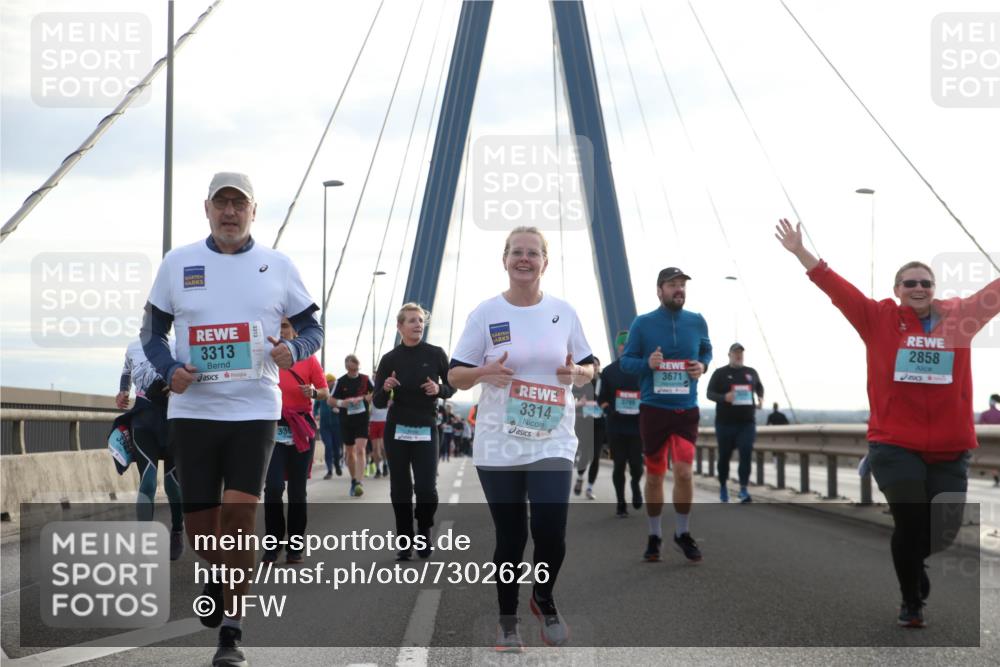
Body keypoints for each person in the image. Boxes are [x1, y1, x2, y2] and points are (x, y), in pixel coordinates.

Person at [775, 217, 1000, 628]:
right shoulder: (877, 319)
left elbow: (996, 293)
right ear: (897, 291)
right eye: (910, 283)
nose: (918, 289)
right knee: (911, 519)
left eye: (925, 283)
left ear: (935, 289)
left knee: (943, 533)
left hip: (950, 447)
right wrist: (801, 253)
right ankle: (911, 599)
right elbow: (836, 289)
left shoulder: (961, 317)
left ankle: (915, 562)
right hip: (895, 444)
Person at [142, 172, 322, 666]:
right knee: (203, 531)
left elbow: (313, 327)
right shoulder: (178, 263)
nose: (229, 212)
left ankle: (232, 632)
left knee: (241, 515)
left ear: (253, 212)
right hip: (194, 412)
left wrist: (293, 348)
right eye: (221, 203)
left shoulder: (278, 266)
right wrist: (169, 369)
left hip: (254, 409)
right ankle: (216, 572)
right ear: (206, 209)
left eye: (238, 204)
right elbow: (151, 333)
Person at [449, 226, 594, 651]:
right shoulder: (485, 314)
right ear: (505, 259)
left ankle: (543, 598)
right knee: (511, 538)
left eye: (533, 253)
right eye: (517, 252)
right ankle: (507, 621)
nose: (524, 259)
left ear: (545, 262)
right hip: (499, 441)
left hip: (552, 439)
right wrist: (483, 373)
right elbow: (455, 375)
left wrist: (578, 374)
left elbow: (590, 365)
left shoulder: (564, 312)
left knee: (551, 531)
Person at [620, 267, 711, 564]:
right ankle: (654, 534)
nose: (679, 289)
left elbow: (707, 350)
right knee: (656, 475)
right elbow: (627, 363)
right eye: (672, 285)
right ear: (659, 290)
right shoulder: (643, 324)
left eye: (682, 284)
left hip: (686, 409)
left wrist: (703, 366)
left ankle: (682, 533)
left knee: (684, 472)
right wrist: (647, 362)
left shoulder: (697, 321)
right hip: (654, 409)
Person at [373, 303, 455, 561]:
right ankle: (405, 540)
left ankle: (424, 531)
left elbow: (452, 386)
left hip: (426, 429)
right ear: (400, 327)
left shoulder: (436, 354)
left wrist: (439, 390)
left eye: (420, 320)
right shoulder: (389, 359)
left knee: (427, 489)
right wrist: (386, 387)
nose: (417, 324)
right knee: (400, 489)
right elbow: (376, 401)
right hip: (397, 429)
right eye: (411, 320)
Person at [262, 318, 329, 564]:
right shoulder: (265, 356)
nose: (281, 329)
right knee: (273, 488)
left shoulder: (308, 358)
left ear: (295, 330)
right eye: (277, 325)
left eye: (286, 325)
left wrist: (313, 392)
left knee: (297, 492)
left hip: (300, 427)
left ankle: (295, 546)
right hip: (272, 427)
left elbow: (324, 391)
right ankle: (272, 544)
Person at [115, 336, 185, 560]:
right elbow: (126, 371)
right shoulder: (133, 346)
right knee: (147, 480)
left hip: (174, 419)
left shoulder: (179, 343)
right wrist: (123, 391)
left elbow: (193, 371)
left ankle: (177, 530)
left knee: (174, 485)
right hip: (144, 419)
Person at [706, 343, 764, 503]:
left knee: (746, 453)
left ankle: (743, 489)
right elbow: (709, 393)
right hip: (725, 423)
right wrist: (724, 397)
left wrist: (760, 398)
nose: (739, 355)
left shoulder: (751, 372)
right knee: (724, 456)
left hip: (746, 423)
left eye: (741, 353)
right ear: (729, 354)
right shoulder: (720, 373)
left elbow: (759, 388)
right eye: (736, 353)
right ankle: (723, 485)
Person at [598, 330, 644, 517]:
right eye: (623, 345)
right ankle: (621, 503)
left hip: (636, 426)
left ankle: (635, 484)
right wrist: (610, 410)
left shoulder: (641, 369)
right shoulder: (608, 372)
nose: (625, 348)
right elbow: (601, 398)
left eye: (629, 344)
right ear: (618, 347)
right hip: (616, 426)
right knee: (619, 465)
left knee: (637, 465)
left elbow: (649, 394)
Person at [332, 354, 374, 497]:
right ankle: (353, 479)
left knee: (361, 449)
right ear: (347, 368)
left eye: (356, 369)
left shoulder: (366, 379)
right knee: (350, 452)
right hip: (346, 420)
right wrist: (342, 403)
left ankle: (359, 482)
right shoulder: (340, 381)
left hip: (362, 419)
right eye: (351, 369)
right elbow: (330, 400)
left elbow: (376, 392)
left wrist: (367, 398)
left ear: (358, 367)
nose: (354, 372)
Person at [573, 356, 605, 500]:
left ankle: (590, 487)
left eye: (597, 365)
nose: (596, 367)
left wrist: (604, 404)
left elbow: (609, 397)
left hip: (599, 423)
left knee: (596, 456)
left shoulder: (604, 381)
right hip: (584, 422)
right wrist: (581, 402)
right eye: (593, 365)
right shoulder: (581, 381)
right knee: (585, 454)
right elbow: (572, 397)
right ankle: (580, 477)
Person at [314, 373, 344, 478]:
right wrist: (316, 414)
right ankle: (329, 470)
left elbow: (345, 406)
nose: (329, 383)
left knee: (336, 448)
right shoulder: (322, 394)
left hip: (337, 426)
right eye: (328, 381)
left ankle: (337, 463)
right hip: (324, 426)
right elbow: (315, 406)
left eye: (331, 381)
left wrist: (339, 410)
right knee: (328, 446)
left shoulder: (338, 393)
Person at [369, 404, 389, 478]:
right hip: (373, 422)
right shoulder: (370, 393)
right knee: (375, 449)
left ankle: (385, 464)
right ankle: (378, 469)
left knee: (383, 446)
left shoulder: (387, 393)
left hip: (384, 421)